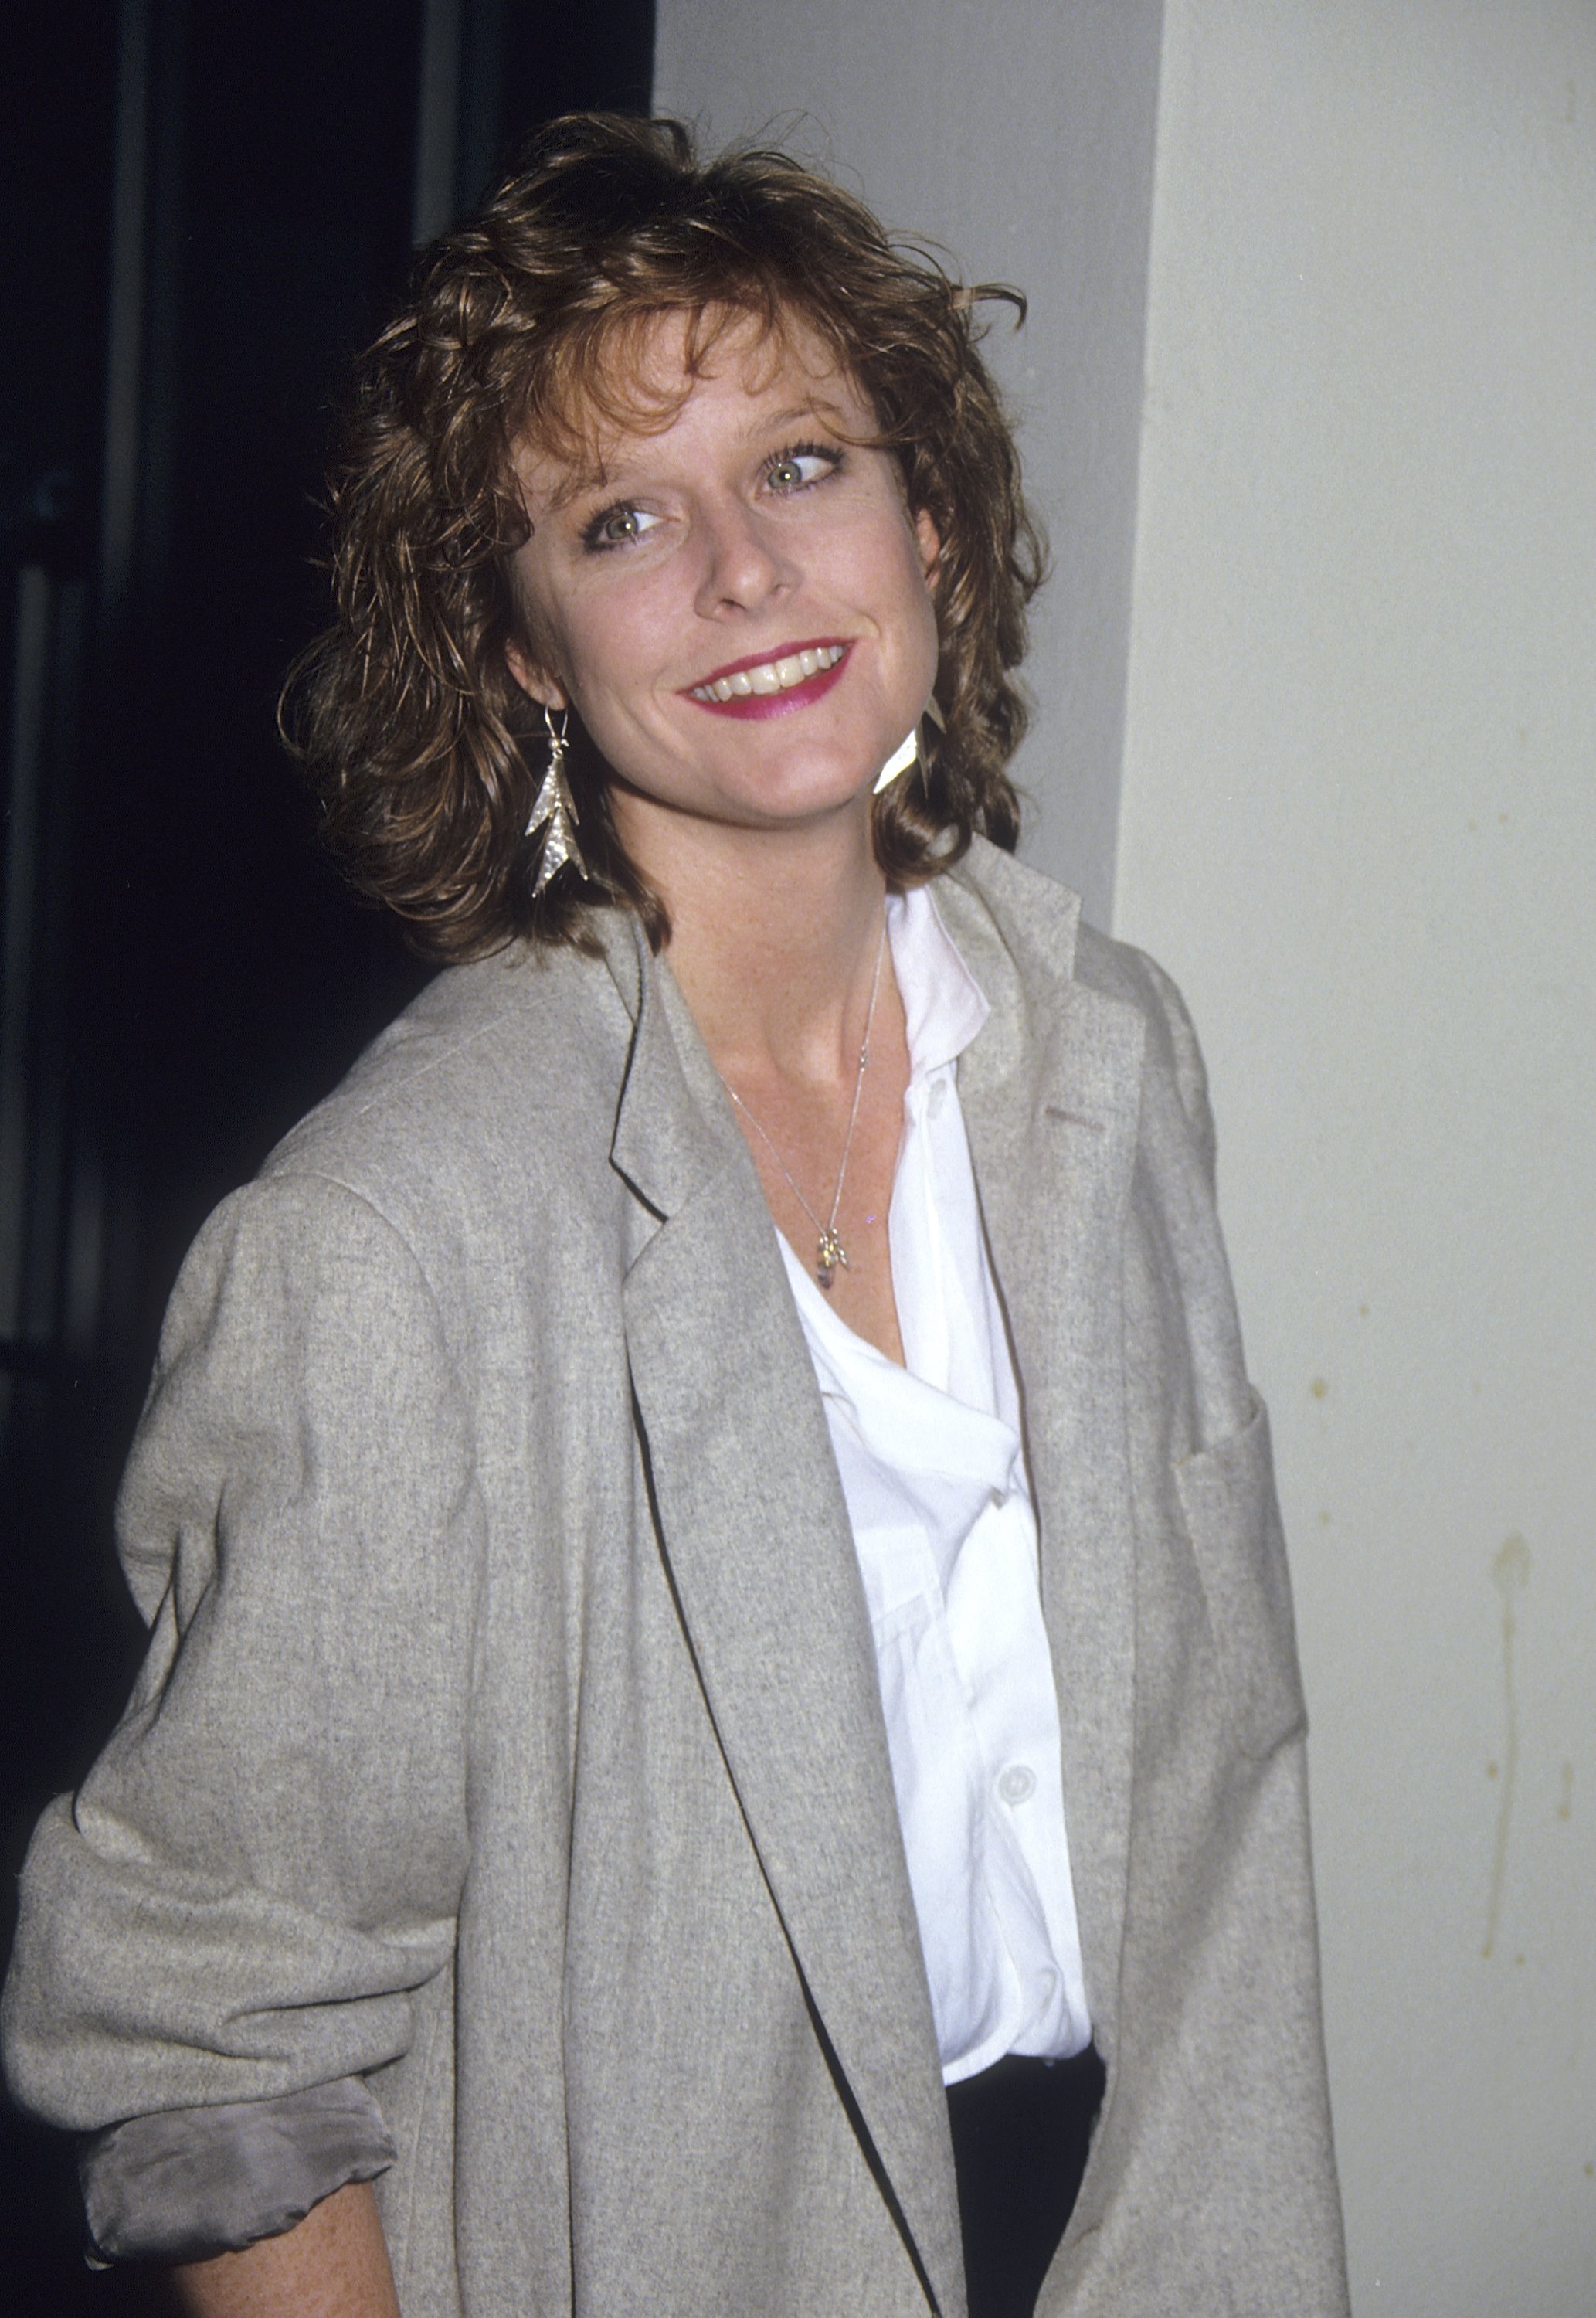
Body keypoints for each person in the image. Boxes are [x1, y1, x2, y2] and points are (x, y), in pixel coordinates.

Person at [1, 115, 1347, 2318]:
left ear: (925, 513)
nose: (742, 572)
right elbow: (213, 2066)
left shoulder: (1108, 1056)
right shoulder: (399, 1236)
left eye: (802, 466)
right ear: (523, 649)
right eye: (623, 519)